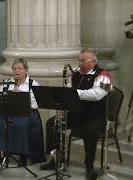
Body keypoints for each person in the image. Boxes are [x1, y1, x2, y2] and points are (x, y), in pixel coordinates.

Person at [40, 49, 113, 180]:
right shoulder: (76, 74)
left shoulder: (104, 75)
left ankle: (89, 167)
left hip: (96, 116)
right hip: (77, 114)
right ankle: (57, 159)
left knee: (89, 130)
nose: (79, 63)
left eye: (83, 61)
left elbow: (98, 94)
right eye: (79, 60)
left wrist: (75, 93)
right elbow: (68, 89)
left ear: (94, 61)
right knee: (52, 123)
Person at [0, 58, 46, 167]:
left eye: (20, 68)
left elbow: (35, 104)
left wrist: (21, 98)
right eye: (15, 68)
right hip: (9, 112)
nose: (17, 71)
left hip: (26, 113)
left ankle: (23, 155)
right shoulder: (6, 83)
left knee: (21, 124)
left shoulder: (33, 84)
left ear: (26, 70)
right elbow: (0, 100)